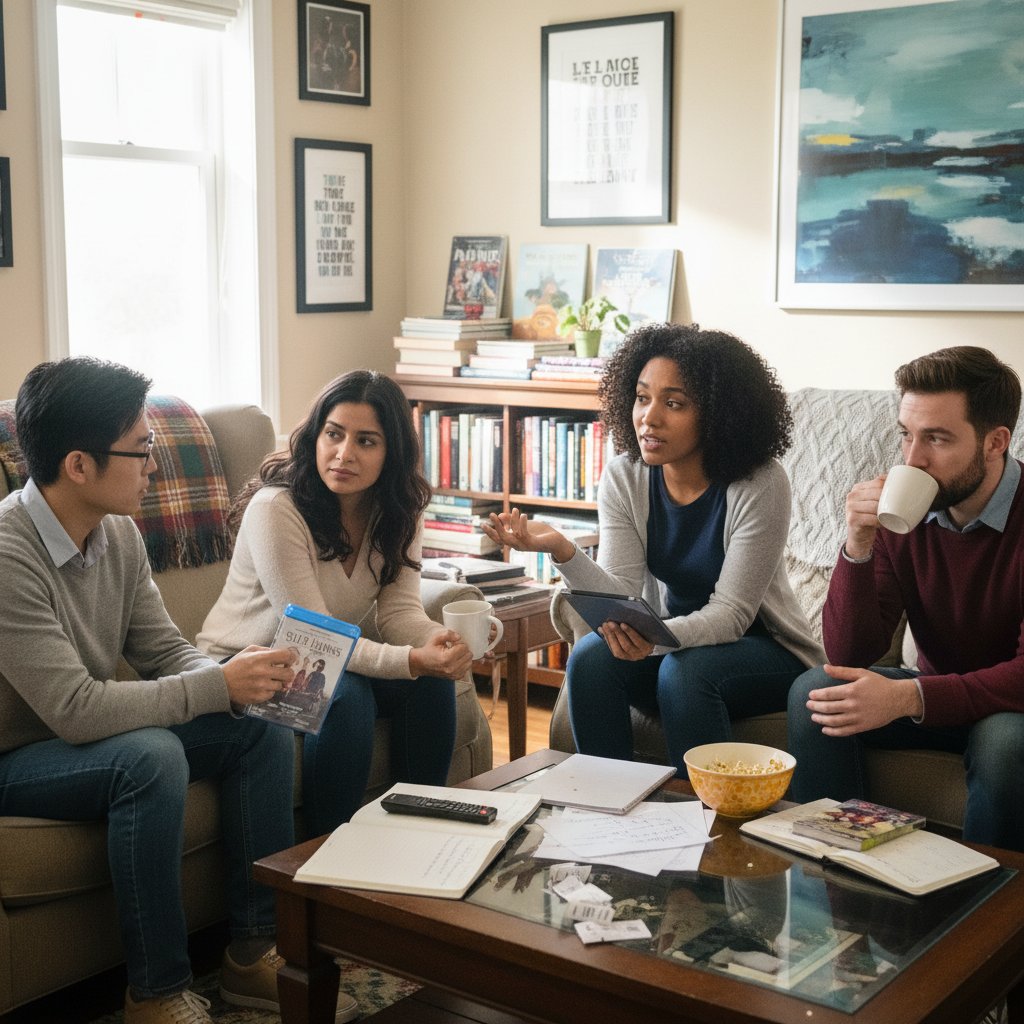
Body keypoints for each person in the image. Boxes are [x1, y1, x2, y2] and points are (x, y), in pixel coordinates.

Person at [0, 358, 311, 1024]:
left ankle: (251, 950)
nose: (154, 467)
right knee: (150, 756)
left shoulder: (116, 533)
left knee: (260, 721)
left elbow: (163, 651)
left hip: (82, 737)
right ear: (79, 465)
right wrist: (211, 687)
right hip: (20, 756)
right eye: (141, 451)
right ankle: (156, 992)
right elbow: (77, 710)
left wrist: (232, 678)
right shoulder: (6, 554)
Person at [482, 323, 823, 772]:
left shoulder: (760, 481)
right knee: (590, 657)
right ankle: (606, 809)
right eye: (642, 397)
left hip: (763, 651)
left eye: (674, 403)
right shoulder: (626, 475)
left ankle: (703, 825)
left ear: (719, 414)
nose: (649, 416)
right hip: (673, 642)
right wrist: (564, 550)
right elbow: (621, 592)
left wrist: (657, 642)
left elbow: (733, 615)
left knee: (685, 673)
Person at [198, 370, 471, 837]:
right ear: (315, 435)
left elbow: (399, 611)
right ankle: (330, 853)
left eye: (366, 441)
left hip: (323, 660)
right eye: (333, 434)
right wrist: (410, 659)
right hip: (247, 664)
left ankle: (423, 834)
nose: (343, 454)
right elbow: (316, 636)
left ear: (392, 453)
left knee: (428, 684)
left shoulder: (399, 510)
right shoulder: (276, 508)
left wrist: (436, 641)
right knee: (347, 694)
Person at [787, 346, 1024, 853]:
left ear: (995, 442)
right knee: (817, 694)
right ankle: (834, 884)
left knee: (1006, 741)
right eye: (906, 435)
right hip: (941, 698)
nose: (912, 459)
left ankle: (985, 917)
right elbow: (850, 655)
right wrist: (857, 544)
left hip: (1012, 709)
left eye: (936, 439)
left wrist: (908, 697)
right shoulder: (912, 505)